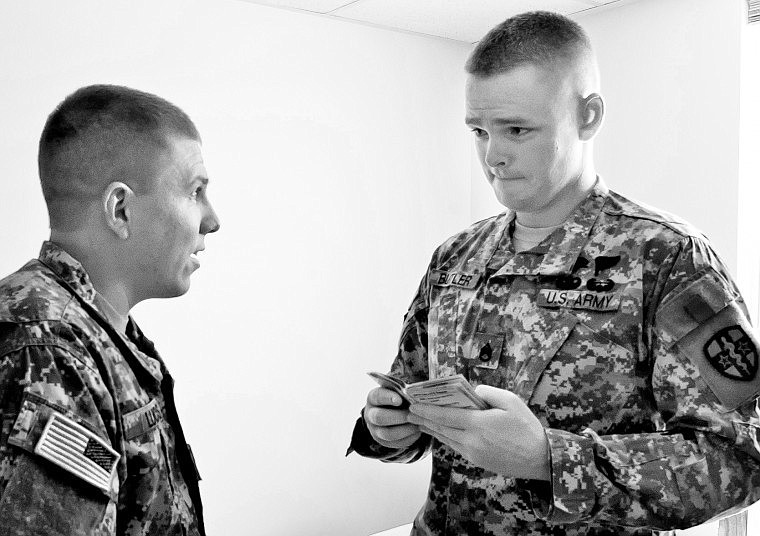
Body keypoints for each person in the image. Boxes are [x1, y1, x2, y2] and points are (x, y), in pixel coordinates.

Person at [348, 11, 760, 535]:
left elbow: (740, 458)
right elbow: (411, 395)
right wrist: (389, 428)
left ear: (587, 116)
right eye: (479, 131)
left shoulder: (666, 258)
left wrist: (549, 458)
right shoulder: (454, 258)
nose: (493, 155)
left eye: (517, 129)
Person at [0, 84, 219, 535]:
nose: (212, 219)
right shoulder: (48, 350)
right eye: (195, 191)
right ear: (120, 209)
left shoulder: (96, 332)